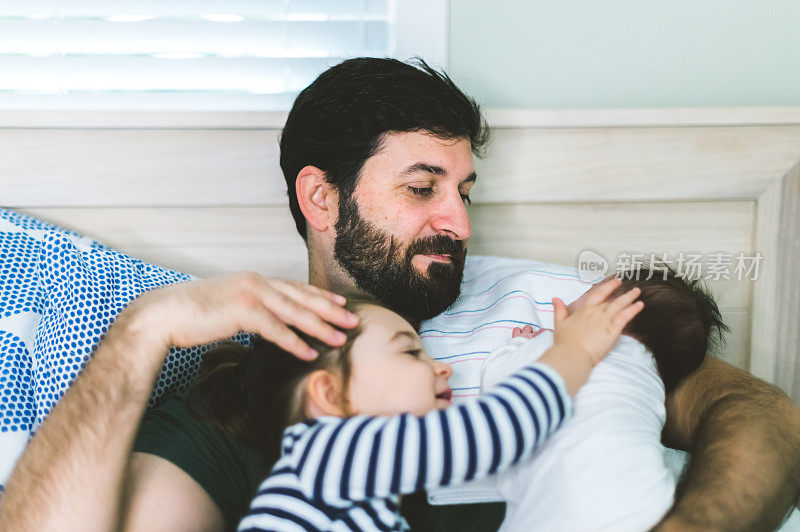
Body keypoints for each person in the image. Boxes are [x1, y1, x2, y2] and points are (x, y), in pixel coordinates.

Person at [1, 57, 799, 532]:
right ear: (323, 201)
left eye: (464, 189)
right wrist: (145, 329)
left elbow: (760, 413)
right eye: (422, 188)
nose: (458, 220)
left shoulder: (550, 303)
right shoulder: (257, 388)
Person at [209, 280, 641, 531]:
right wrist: (575, 351)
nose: (443, 369)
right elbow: (497, 430)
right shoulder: (332, 453)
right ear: (330, 396)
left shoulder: (347, 485)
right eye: (410, 354)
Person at [431, 265, 730, 531]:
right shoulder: (652, 385)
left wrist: (520, 346)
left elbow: (502, 384)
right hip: (648, 507)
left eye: (590, 293)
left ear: (610, 311)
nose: (574, 298)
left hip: (559, 514)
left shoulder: (557, 348)